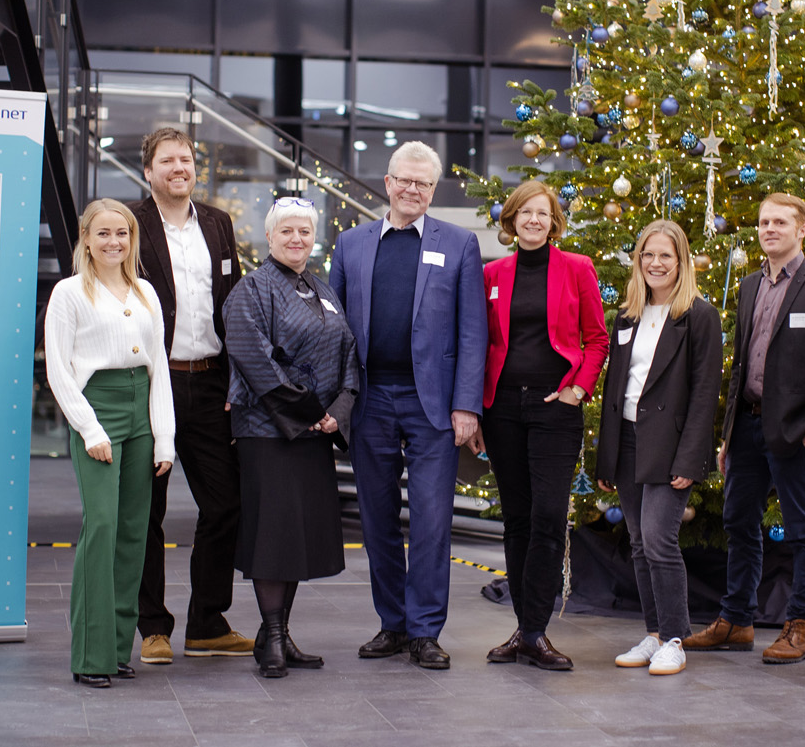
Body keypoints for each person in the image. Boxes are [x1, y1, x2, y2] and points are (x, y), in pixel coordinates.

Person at [328, 141, 487, 669]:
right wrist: (337, 401)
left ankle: (424, 631)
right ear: (388, 181)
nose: (413, 189)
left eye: (424, 183)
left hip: (433, 405)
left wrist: (466, 406)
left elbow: (473, 333)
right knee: (376, 519)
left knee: (432, 519)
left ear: (432, 190)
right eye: (405, 180)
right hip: (371, 399)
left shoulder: (459, 244)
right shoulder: (350, 245)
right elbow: (333, 332)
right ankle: (392, 624)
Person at [468, 180, 607, 671]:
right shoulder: (491, 273)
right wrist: (475, 408)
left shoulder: (577, 268)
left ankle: (536, 631)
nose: (533, 220)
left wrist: (577, 390)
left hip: (555, 410)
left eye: (542, 214)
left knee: (548, 518)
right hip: (502, 409)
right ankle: (524, 631)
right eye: (525, 212)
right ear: (511, 220)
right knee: (518, 520)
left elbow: (596, 339)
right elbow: (477, 344)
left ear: (553, 222)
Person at [684, 193, 805, 664]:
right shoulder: (748, 286)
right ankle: (738, 620)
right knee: (737, 522)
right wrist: (727, 433)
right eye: (764, 222)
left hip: (794, 430)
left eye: (780, 223)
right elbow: (741, 363)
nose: (769, 230)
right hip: (746, 425)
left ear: (802, 229)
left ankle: (799, 624)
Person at [223, 197, 360, 679]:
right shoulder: (250, 291)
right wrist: (308, 412)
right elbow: (253, 359)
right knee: (273, 533)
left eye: (304, 231)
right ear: (270, 237)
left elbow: (349, 356)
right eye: (287, 232)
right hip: (268, 430)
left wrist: (336, 413)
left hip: (314, 433)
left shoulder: (321, 289)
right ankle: (274, 635)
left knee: (298, 535)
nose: (297, 239)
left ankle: (276, 633)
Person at [130, 128, 252, 664]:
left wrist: (238, 378)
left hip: (210, 382)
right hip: (152, 383)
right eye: (168, 160)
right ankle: (152, 627)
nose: (180, 167)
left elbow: (235, 303)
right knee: (146, 511)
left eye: (187, 159)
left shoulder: (219, 224)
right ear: (148, 172)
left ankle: (207, 622)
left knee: (226, 503)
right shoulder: (129, 224)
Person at [44, 199, 176, 688]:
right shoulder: (68, 293)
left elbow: (158, 366)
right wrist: (91, 430)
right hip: (96, 406)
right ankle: (91, 654)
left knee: (133, 532)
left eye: (121, 233)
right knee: (101, 527)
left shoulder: (144, 291)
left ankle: (119, 649)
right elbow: (59, 371)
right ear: (85, 238)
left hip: (142, 410)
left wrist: (165, 437)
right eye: (103, 234)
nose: (113, 242)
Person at [596, 219, 722, 677]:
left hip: (670, 445)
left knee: (658, 538)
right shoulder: (627, 315)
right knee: (636, 541)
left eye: (665, 255)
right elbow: (616, 388)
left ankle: (675, 637)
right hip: (627, 440)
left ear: (682, 261)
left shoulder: (699, 316)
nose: (655, 263)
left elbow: (706, 392)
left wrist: (691, 457)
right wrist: (606, 454)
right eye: (648, 255)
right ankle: (653, 633)